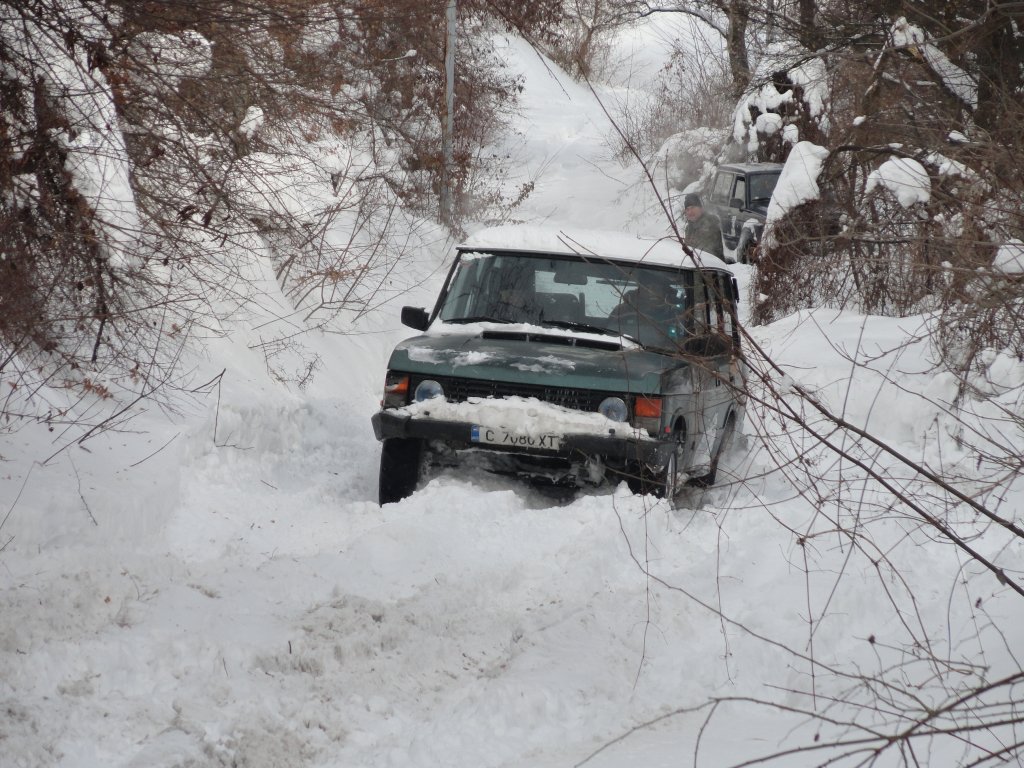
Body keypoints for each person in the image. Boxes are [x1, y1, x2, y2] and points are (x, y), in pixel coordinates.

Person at [680, 192, 724, 259]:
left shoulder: (709, 225)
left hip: (711, 266)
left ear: (701, 208)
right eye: (687, 209)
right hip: (695, 264)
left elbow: (703, 253)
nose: (690, 212)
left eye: (693, 207)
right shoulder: (689, 228)